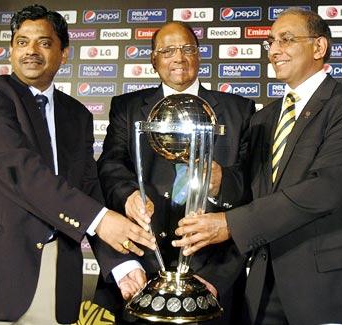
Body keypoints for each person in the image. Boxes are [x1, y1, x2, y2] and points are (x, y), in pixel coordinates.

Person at [173, 8, 342, 325]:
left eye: (287, 39)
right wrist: (219, 181)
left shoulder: (340, 103)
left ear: (319, 48)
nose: (275, 50)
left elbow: (327, 188)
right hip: (262, 288)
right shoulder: (265, 117)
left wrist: (229, 225)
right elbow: (252, 190)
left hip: (325, 290)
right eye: (271, 42)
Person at [0, 5, 156, 325]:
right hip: (3, 273)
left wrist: (121, 264)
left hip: (61, 281)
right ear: (11, 49)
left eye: (43, 42)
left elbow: (88, 186)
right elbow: (20, 170)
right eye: (22, 42)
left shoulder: (77, 114)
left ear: (63, 53)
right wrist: (100, 220)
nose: (30, 51)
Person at [94, 21, 255, 324]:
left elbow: (252, 190)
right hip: (141, 274)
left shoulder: (239, 110)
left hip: (212, 278)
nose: (178, 58)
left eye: (186, 49)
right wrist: (129, 195)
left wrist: (220, 183)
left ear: (198, 54)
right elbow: (111, 166)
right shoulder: (126, 108)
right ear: (153, 60)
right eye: (167, 51)